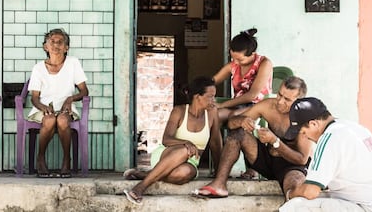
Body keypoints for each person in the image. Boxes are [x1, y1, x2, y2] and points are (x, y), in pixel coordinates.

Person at [193, 76, 313, 199]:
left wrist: (275, 141)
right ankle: (219, 184)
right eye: (279, 95)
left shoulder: (305, 119)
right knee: (237, 133)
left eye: (287, 99)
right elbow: (231, 123)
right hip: (268, 161)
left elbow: (302, 159)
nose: (280, 101)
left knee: (295, 188)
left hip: (292, 167)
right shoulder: (268, 105)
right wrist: (242, 121)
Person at [123, 76, 223, 205]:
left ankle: (145, 175)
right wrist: (186, 143)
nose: (213, 100)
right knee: (184, 150)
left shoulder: (212, 113)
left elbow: (215, 143)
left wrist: (219, 171)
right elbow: (166, 139)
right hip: (167, 154)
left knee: (184, 173)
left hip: (191, 161)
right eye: (210, 96)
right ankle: (140, 187)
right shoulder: (179, 111)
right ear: (198, 96)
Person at [279, 97, 372, 212]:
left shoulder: (329, 137)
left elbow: (309, 191)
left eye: (304, 132)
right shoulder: (355, 128)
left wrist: (291, 194)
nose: (305, 137)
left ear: (314, 124)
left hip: (366, 207)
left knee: (296, 206)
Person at [27, 28, 89, 178]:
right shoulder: (38, 68)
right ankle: (40, 158)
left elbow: (84, 91)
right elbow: (34, 97)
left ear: (66, 47)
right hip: (44, 107)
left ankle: (66, 159)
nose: (56, 45)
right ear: (45, 47)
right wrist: (43, 107)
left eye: (60, 42)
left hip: (66, 107)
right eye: (52, 42)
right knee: (49, 121)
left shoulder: (73, 63)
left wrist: (70, 99)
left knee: (62, 120)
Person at [214, 28, 273, 179]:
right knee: (213, 116)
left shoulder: (264, 63)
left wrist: (223, 104)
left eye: (240, 60)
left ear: (252, 54)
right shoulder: (233, 65)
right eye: (233, 58)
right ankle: (218, 164)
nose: (236, 62)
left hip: (257, 105)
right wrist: (200, 88)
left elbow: (251, 95)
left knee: (236, 118)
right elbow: (213, 81)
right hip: (237, 105)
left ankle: (252, 168)